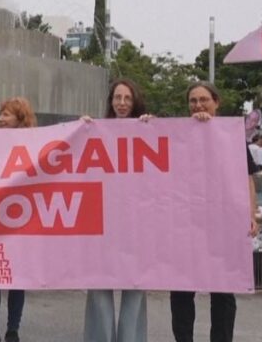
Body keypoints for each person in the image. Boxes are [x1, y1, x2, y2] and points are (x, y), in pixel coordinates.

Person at [169, 81, 258, 342]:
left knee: (223, 292)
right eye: (193, 100)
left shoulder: (230, 137)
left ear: (216, 102)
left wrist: (251, 214)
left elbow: (247, 179)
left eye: (203, 99)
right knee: (182, 291)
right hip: (185, 224)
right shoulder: (176, 135)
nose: (198, 105)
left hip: (222, 224)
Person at [83, 79, 150, 342]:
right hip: (102, 221)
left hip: (136, 222)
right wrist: (82, 131)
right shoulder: (96, 130)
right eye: (117, 98)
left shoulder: (148, 129)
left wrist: (154, 128)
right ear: (111, 101)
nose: (122, 103)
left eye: (127, 98)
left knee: (135, 286)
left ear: (135, 102)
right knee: (99, 284)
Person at [0, 97, 37, 342]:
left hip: (19, 220)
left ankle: (13, 330)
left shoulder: (35, 143)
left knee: (16, 279)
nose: (2, 117)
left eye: (8, 114)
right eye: (1, 112)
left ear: (20, 120)